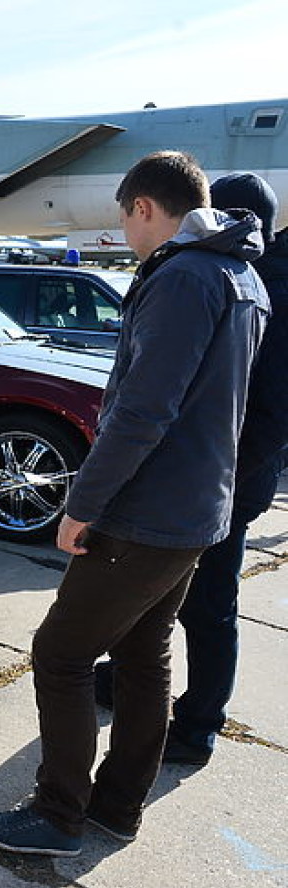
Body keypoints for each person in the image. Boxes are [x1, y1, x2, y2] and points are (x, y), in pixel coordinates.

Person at [0, 151, 269, 857]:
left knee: (62, 653)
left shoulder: (184, 277)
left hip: (148, 511)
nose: (125, 236)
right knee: (143, 654)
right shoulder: (242, 273)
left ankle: (57, 813)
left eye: (123, 220)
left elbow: (142, 411)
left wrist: (83, 502)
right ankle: (117, 806)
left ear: (143, 208)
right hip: (197, 509)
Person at [94, 172, 288, 766]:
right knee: (159, 591)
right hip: (211, 473)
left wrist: (224, 478)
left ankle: (200, 720)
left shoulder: (264, 282)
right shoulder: (238, 272)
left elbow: (275, 407)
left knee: (208, 601)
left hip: (227, 477)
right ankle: (130, 676)